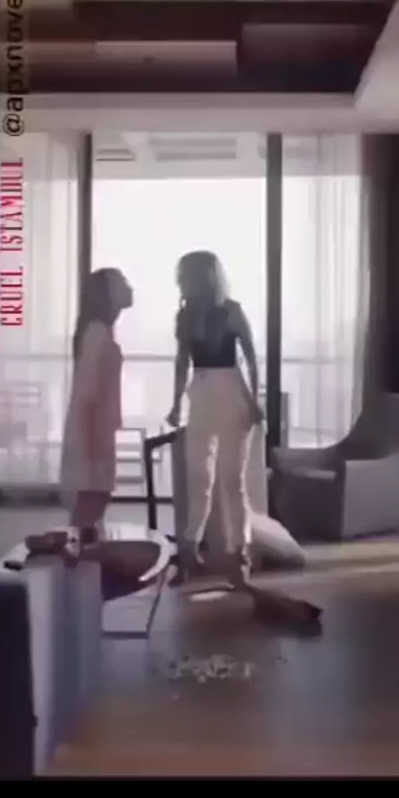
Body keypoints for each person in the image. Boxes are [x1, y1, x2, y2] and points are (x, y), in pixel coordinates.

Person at [167, 250, 262, 586]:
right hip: (202, 391)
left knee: (231, 479)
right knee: (199, 477)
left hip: (232, 392)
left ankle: (239, 554)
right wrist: (175, 403)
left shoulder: (231, 311)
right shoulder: (185, 316)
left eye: (186, 275)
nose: (182, 280)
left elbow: (251, 357)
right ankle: (189, 551)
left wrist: (254, 400)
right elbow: (182, 362)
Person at [60, 267, 133, 553]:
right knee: (90, 501)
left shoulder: (99, 331)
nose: (130, 287)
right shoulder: (96, 332)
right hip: (91, 430)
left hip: (96, 428)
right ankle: (78, 562)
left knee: (93, 502)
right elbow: (88, 391)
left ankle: (82, 561)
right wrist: (92, 441)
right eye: (122, 283)